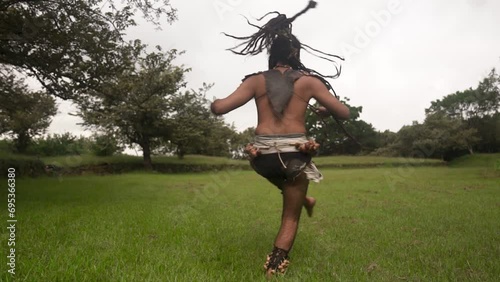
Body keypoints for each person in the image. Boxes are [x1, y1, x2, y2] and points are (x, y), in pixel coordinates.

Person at [210, 1, 350, 278]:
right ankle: (274, 265)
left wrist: (214, 102)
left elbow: (221, 108)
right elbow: (343, 113)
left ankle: (306, 200)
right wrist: (324, 108)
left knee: (285, 179)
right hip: (295, 154)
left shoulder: (255, 81)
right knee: (290, 212)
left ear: (271, 54)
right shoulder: (309, 81)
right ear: (295, 53)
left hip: (261, 157)